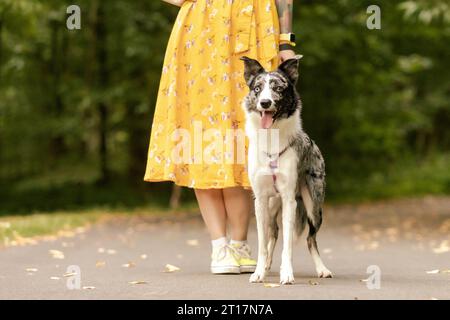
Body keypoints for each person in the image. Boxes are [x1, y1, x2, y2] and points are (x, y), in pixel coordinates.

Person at [144, 0, 296, 274]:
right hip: (203, 31)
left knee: (247, 135)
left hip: (257, 29)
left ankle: (240, 244)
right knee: (203, 134)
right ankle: (219, 245)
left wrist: (286, 41)